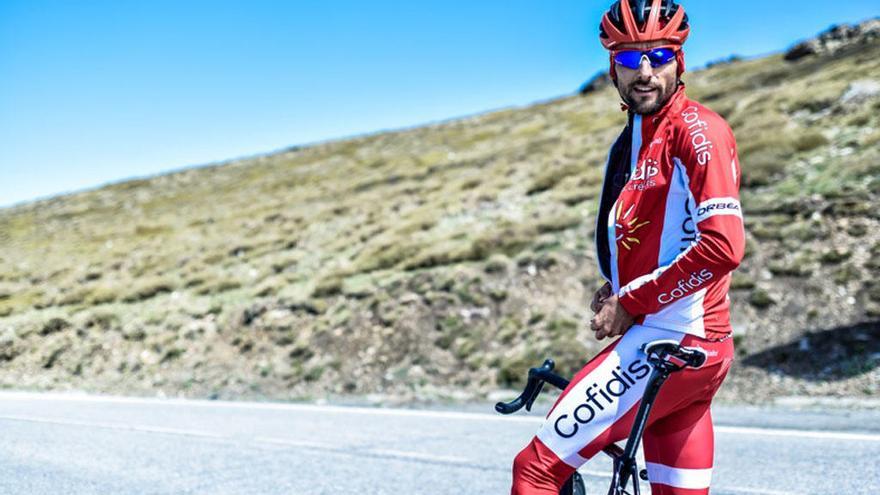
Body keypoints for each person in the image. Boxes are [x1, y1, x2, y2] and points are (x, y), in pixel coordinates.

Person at [510, 1, 746, 494]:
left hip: (673, 340)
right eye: (629, 58)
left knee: (534, 472)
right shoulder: (639, 136)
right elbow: (661, 228)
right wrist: (616, 281)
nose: (644, 72)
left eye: (658, 55)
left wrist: (630, 300)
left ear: (679, 60)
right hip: (693, 350)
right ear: (611, 67)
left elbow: (723, 246)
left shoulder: (696, 131)